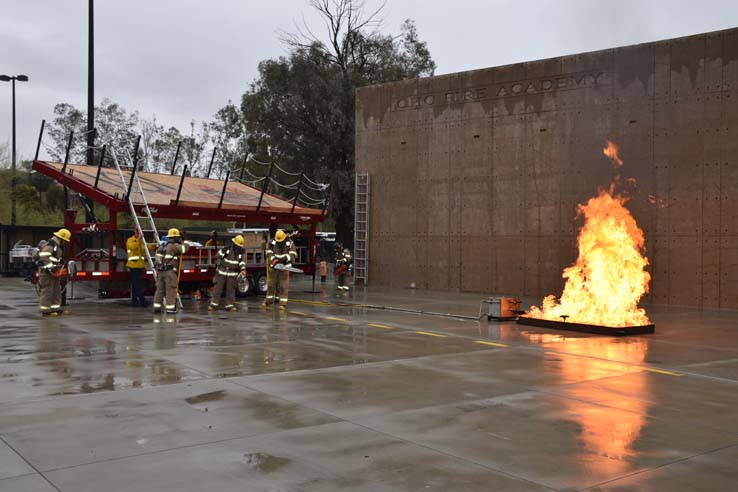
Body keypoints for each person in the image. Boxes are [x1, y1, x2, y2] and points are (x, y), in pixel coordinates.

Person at [153, 228, 190, 314]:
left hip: (160, 272)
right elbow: (185, 249)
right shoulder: (173, 246)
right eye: (177, 237)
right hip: (169, 272)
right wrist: (186, 240)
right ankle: (170, 308)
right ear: (175, 237)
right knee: (171, 290)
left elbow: (158, 261)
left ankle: (157, 308)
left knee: (159, 290)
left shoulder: (162, 246)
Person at [37, 228, 71, 316]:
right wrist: (51, 268)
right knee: (47, 291)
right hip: (46, 273)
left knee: (56, 290)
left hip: (54, 272)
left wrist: (60, 262)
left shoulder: (56, 246)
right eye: (64, 241)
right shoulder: (50, 246)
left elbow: (54, 258)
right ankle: (46, 310)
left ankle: (55, 308)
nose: (65, 242)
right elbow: (43, 256)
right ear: (61, 239)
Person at [209, 235, 247, 312]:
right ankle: (213, 305)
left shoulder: (240, 253)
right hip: (222, 272)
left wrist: (243, 270)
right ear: (234, 244)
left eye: (240, 246)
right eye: (238, 246)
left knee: (231, 290)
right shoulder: (227, 249)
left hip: (232, 274)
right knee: (218, 288)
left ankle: (230, 305)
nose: (239, 248)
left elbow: (242, 263)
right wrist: (222, 252)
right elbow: (217, 255)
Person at [263, 229, 296, 310]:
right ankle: (269, 301)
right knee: (271, 284)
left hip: (284, 267)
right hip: (274, 266)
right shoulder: (272, 242)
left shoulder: (289, 243)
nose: (279, 242)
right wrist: (273, 260)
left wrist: (284, 259)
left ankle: (283, 303)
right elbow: (268, 252)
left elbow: (293, 254)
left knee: (283, 286)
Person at [126, 228, 148, 307]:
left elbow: (144, 250)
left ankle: (134, 301)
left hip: (140, 266)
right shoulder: (130, 240)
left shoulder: (141, 242)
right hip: (133, 266)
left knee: (135, 285)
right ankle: (142, 301)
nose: (138, 234)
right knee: (137, 284)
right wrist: (139, 239)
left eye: (140, 233)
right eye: (137, 232)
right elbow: (132, 247)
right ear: (134, 232)